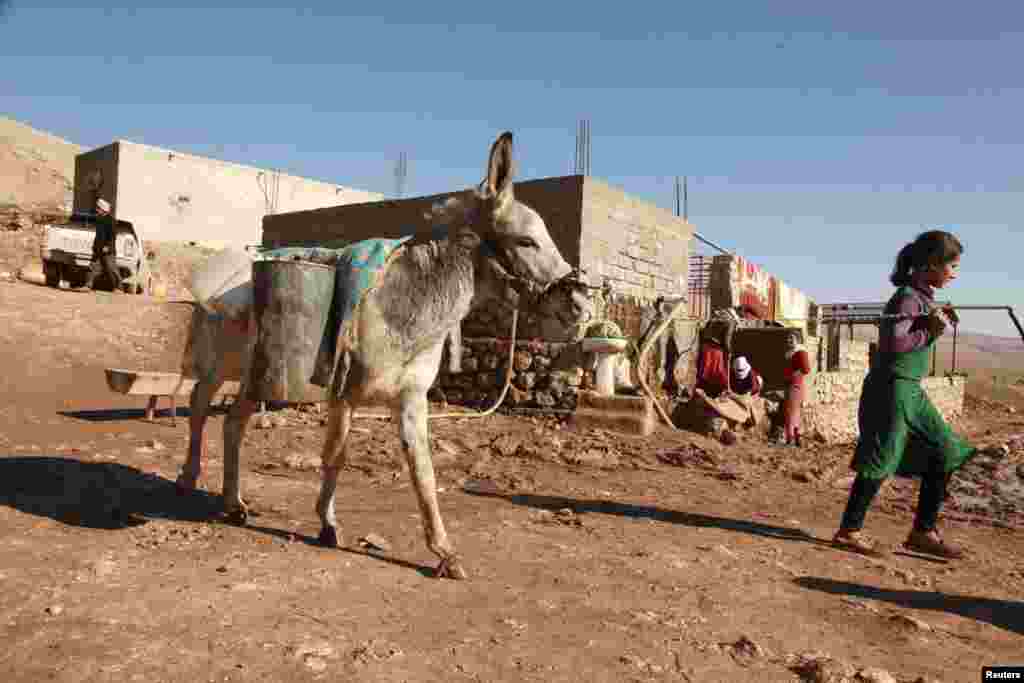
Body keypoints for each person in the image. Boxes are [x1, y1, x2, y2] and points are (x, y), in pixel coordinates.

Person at [832, 230, 978, 559]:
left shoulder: (922, 299)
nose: (955, 272)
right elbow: (894, 344)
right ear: (930, 265)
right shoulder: (907, 298)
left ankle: (923, 531)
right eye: (952, 265)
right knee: (881, 456)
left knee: (946, 450)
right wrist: (931, 328)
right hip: (892, 387)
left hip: (911, 389)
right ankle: (849, 530)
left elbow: (915, 333)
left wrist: (932, 323)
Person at [85, 197, 123, 292]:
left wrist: (108, 247)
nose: (97, 210)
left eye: (98, 208)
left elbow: (112, 236)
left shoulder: (111, 221)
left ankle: (118, 288)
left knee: (111, 269)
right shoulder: (99, 220)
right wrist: (95, 246)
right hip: (98, 249)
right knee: (93, 267)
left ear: (103, 209)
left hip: (108, 251)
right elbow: (98, 236)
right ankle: (88, 285)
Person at [781, 331, 811, 446]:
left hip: (795, 384)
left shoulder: (800, 352)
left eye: (792, 338)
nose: (789, 340)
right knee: (793, 411)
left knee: (791, 411)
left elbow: (806, 369)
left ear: (798, 340)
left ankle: (791, 438)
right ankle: (797, 437)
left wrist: (793, 375)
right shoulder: (790, 353)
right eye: (788, 338)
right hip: (790, 384)